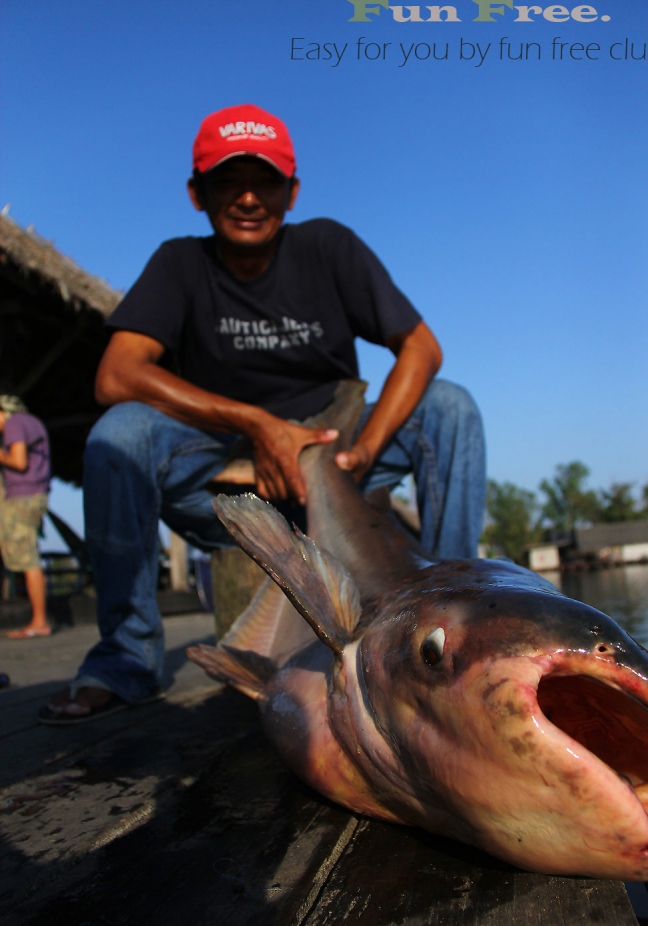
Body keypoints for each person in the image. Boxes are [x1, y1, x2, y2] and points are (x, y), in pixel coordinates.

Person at [40, 103, 485, 724]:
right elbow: (117, 374)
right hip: (232, 477)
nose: (248, 198)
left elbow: (421, 348)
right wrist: (257, 424)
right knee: (119, 433)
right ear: (197, 194)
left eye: (265, 182)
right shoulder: (179, 264)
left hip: (339, 459)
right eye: (227, 181)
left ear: (292, 191)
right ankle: (125, 657)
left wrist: (355, 455)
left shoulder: (328, 246)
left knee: (451, 408)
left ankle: (457, 618)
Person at [0, 395, 52, 638]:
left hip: (21, 496)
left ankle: (39, 621)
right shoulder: (33, 422)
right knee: (28, 555)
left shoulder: (14, 424)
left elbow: (18, 461)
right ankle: (38, 620)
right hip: (36, 495)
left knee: (27, 558)